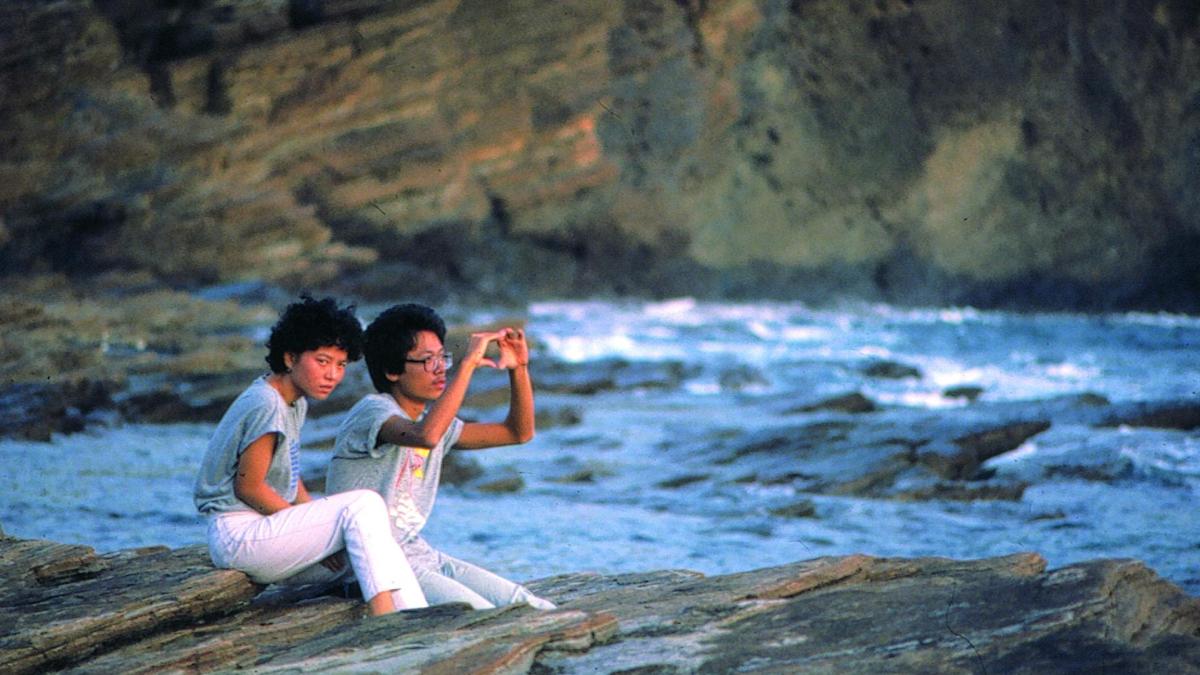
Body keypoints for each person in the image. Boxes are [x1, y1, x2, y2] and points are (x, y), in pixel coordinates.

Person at [193, 295, 427, 616]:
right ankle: (386, 620)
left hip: (264, 535)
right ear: (290, 358)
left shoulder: (293, 401)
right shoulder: (267, 403)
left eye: (341, 364)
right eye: (322, 361)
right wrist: (310, 526)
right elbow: (248, 487)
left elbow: (289, 475)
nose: (333, 374)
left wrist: (317, 527)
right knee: (365, 504)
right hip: (240, 537)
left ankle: (415, 618)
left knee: (374, 547)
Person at [327, 303, 555, 610]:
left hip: (420, 554)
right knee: (481, 615)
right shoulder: (374, 411)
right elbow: (427, 436)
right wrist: (467, 366)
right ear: (392, 371)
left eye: (442, 358)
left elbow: (518, 433)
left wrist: (519, 369)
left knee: (527, 604)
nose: (440, 369)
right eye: (426, 360)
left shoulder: (436, 422)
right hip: (375, 565)